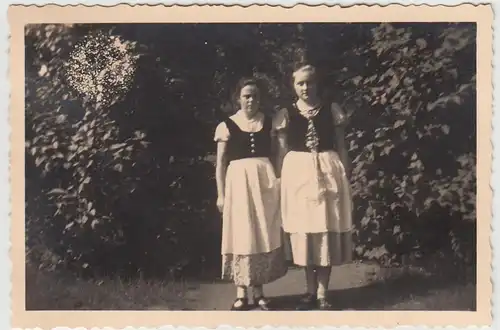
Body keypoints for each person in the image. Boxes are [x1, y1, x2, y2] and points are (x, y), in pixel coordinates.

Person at [273, 55, 353, 310]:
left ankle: (322, 293)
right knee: (306, 233)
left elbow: (341, 144)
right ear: (293, 86)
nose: (306, 88)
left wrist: (345, 170)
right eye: (300, 84)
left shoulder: (331, 110)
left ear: (316, 84)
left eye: (309, 83)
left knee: (325, 230)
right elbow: (282, 150)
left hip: (328, 171)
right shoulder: (285, 114)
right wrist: (281, 178)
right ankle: (308, 291)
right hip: (298, 175)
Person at [214, 77, 288, 311]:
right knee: (241, 232)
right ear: (238, 98)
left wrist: (279, 181)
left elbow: (279, 155)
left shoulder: (269, 123)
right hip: (238, 184)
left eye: (255, 96)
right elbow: (220, 163)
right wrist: (221, 194)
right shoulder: (227, 125)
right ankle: (240, 293)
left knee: (262, 232)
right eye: (246, 96)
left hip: (264, 183)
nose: (251, 100)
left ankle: (259, 292)